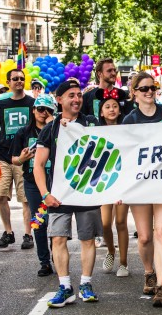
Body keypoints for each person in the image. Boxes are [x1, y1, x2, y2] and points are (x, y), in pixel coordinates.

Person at [34, 79, 102, 308]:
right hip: (59, 195)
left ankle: (85, 283)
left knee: (87, 239)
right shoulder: (49, 129)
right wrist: (45, 194)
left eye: (79, 95)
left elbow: (110, 150)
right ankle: (65, 287)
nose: (76, 99)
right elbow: (38, 165)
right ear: (59, 99)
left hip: (87, 193)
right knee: (58, 238)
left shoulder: (91, 123)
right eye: (71, 95)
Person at [121, 72, 162, 307]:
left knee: (161, 232)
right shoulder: (129, 120)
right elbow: (122, 155)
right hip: (141, 183)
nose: (148, 91)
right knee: (145, 237)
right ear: (134, 93)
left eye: (152, 87)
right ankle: (148, 271)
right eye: (143, 88)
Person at [0, 69, 35, 249]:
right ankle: (8, 233)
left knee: (26, 199)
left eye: (22, 78)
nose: (19, 81)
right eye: (15, 79)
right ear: (8, 82)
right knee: (0, 196)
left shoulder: (33, 103)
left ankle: (28, 235)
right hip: (4, 156)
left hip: (24, 157)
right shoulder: (0, 105)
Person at [11, 94, 56, 276]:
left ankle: (57, 256)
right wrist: (21, 158)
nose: (44, 113)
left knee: (55, 221)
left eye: (48, 110)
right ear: (33, 110)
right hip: (32, 183)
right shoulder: (24, 132)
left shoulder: (57, 130)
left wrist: (54, 124)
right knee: (39, 222)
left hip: (54, 182)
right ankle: (44, 261)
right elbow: (14, 159)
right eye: (40, 109)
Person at [95, 87, 131, 277]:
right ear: (101, 111)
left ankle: (124, 263)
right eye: (107, 106)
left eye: (115, 106)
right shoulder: (94, 130)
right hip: (103, 181)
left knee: (121, 222)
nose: (111, 109)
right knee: (105, 223)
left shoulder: (127, 130)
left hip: (123, 181)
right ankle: (110, 251)